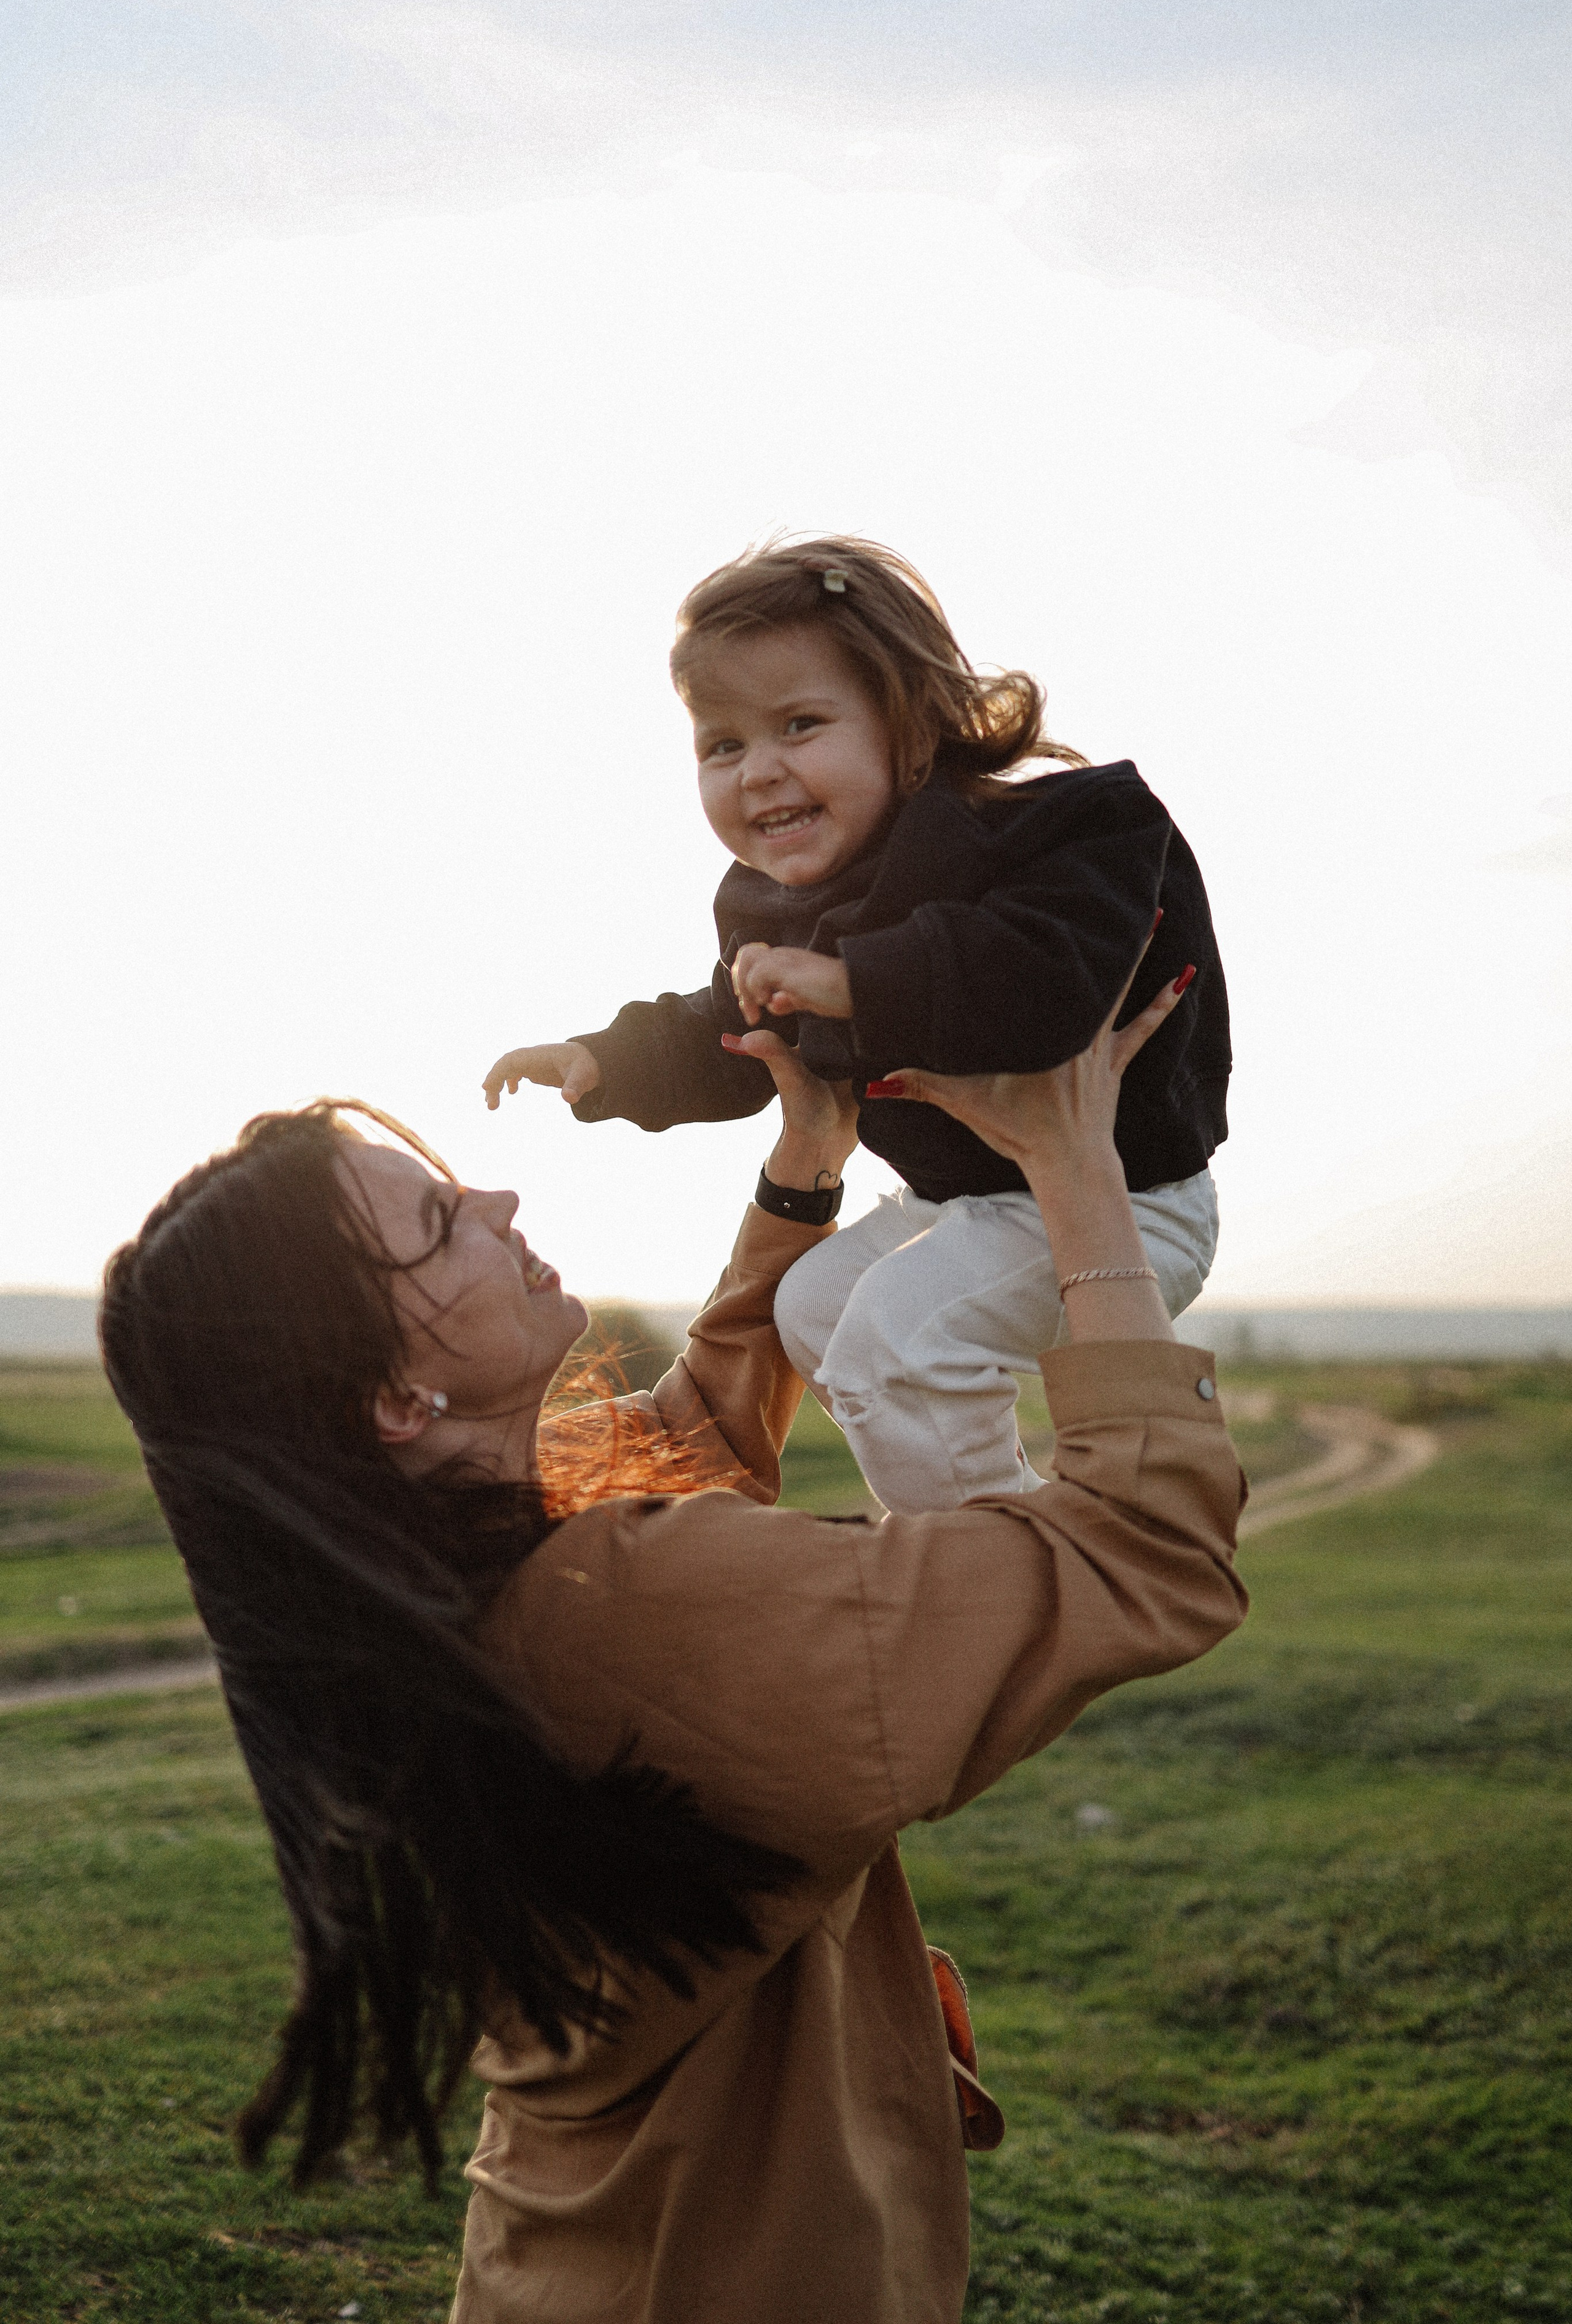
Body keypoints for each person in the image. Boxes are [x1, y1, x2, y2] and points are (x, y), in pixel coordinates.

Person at [101, 970, 1246, 2324]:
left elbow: (684, 1442)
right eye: (435, 1223)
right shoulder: (630, 1613)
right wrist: (1076, 1174)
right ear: (394, 1398)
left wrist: (805, 1163)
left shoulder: (446, 1583)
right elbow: (1145, 1555)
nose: (496, 1202)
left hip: (578, 2263)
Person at [482, 535, 1231, 1511]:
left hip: (1133, 1203)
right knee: (817, 1310)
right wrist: (607, 1061)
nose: (757, 771)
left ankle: (986, 1565)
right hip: (955, 1207)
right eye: (723, 744)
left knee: (896, 1340)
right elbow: (730, 1024)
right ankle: (995, 1499)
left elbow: (1047, 981)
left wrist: (854, 983)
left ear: (910, 725)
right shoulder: (775, 909)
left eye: (798, 724)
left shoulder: (1065, 833)